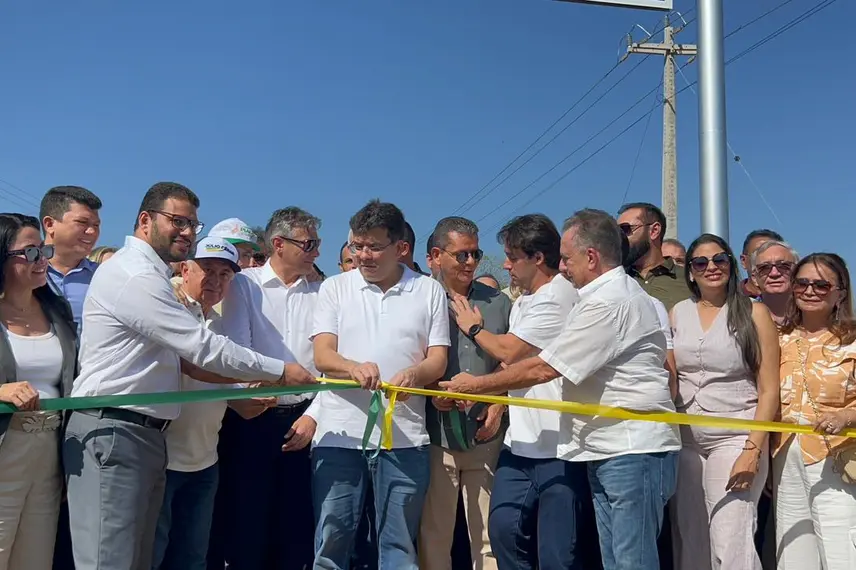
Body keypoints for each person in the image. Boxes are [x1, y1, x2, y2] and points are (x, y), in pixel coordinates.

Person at [62, 182, 316, 570]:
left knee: (139, 558)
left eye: (193, 224)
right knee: (107, 560)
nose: (186, 231)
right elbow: (201, 348)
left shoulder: (153, 275)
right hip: (114, 428)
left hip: (144, 433)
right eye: (177, 221)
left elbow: (195, 363)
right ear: (145, 220)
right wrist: (282, 371)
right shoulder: (135, 275)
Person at [441, 209, 681, 570]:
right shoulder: (592, 297)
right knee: (614, 559)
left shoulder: (610, 302)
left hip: (633, 449)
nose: (562, 267)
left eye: (566, 259)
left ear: (591, 257)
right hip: (604, 447)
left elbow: (544, 367)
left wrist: (476, 386)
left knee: (630, 561)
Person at [309, 200, 450, 570]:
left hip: (405, 440)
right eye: (357, 246)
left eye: (373, 246)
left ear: (400, 248)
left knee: (399, 546)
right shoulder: (334, 289)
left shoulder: (428, 290)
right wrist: (353, 367)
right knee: (331, 542)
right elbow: (323, 355)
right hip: (339, 437)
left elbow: (437, 359)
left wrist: (415, 375)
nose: (363, 256)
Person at [458, 213, 588, 570]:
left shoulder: (558, 297)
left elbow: (509, 351)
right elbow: (513, 368)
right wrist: (497, 406)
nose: (506, 264)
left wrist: (473, 329)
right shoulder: (527, 300)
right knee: (502, 530)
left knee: (557, 554)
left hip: (560, 446)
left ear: (538, 258)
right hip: (521, 442)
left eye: (513, 257)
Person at [217, 207, 323, 570]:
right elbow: (235, 351)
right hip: (252, 418)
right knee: (248, 528)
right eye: (308, 243)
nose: (315, 252)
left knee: (297, 532)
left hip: (306, 423)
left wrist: (313, 417)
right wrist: (249, 395)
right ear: (278, 244)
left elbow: (329, 361)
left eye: (317, 243)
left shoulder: (325, 293)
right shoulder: (245, 284)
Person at [669, 234, 779, 570]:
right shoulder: (677, 313)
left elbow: (769, 389)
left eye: (720, 259)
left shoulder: (753, 312)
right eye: (701, 263)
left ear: (731, 264)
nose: (711, 267)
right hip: (686, 440)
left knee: (731, 538)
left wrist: (752, 449)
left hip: (735, 437)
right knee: (690, 538)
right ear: (690, 272)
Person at [419, 216, 512, 570]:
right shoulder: (419, 299)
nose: (471, 262)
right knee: (434, 535)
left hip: (485, 434)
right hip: (434, 435)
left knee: (489, 536)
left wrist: (497, 403)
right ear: (436, 256)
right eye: (462, 255)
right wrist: (431, 393)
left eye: (476, 253)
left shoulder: (498, 302)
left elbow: (514, 357)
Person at [0, 214, 77, 570]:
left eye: (43, 250)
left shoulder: (57, 311)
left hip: (49, 451)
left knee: (36, 559)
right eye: (30, 252)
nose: (42, 259)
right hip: (6, 448)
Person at [774, 253, 856, 570]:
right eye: (802, 283)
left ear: (840, 294)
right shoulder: (778, 338)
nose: (810, 291)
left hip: (836, 457)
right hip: (785, 455)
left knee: (840, 553)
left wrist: (846, 417)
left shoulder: (851, 341)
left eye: (821, 285)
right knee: (792, 553)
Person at [41, 185, 103, 332]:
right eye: (82, 222)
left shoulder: (104, 277)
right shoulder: (19, 272)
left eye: (96, 225)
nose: (92, 231)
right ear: (50, 224)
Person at [618, 202, 689, 311]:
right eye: (617, 232)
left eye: (625, 229)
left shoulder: (691, 280)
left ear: (654, 231)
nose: (620, 238)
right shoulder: (615, 280)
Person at [750, 240, 798, 326]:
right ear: (754, 278)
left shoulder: (814, 316)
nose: (774, 273)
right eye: (764, 267)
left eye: (784, 266)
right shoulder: (741, 318)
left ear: (797, 272)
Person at [739, 230, 783, 299]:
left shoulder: (795, 298)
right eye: (758, 253)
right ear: (743, 261)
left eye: (773, 254)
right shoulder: (727, 298)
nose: (766, 259)